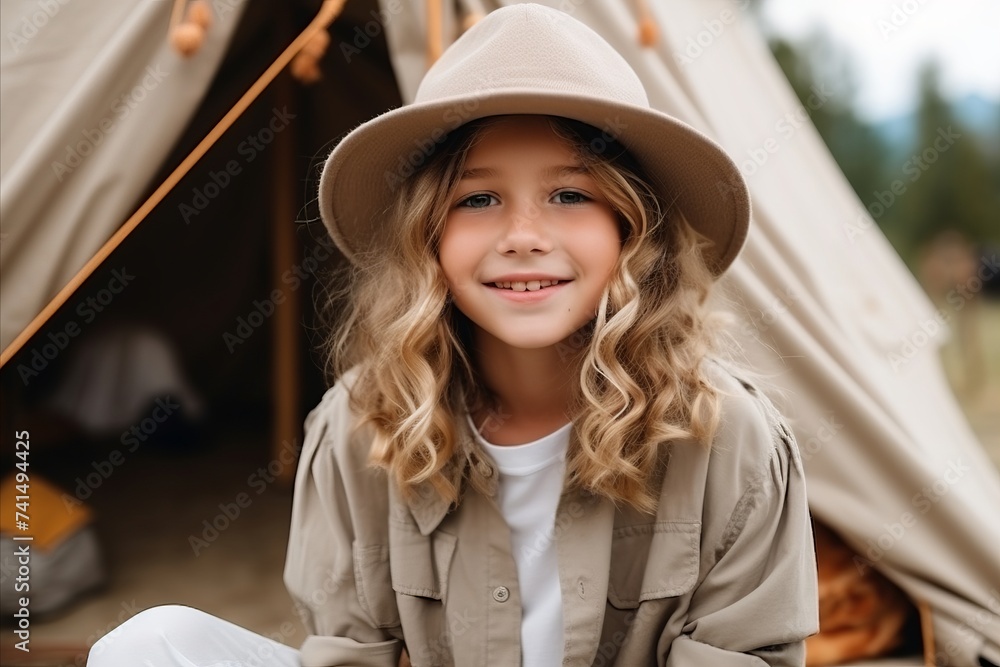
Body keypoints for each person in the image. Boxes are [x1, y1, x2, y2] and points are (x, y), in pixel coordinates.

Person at [88, 4, 817, 666]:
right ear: (426, 236)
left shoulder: (732, 439)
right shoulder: (359, 425)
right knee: (149, 645)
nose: (524, 236)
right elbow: (351, 652)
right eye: (478, 198)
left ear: (633, 228)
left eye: (569, 194)